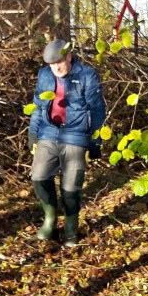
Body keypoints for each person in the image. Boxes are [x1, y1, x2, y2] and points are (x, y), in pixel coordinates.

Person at [28, 39, 106, 247]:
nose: (56, 67)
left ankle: (71, 226)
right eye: (51, 64)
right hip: (48, 132)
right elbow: (38, 105)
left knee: (71, 186)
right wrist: (33, 135)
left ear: (69, 56)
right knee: (39, 176)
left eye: (59, 61)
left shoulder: (87, 75)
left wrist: (95, 141)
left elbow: (97, 111)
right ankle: (50, 219)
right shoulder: (44, 75)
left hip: (76, 135)